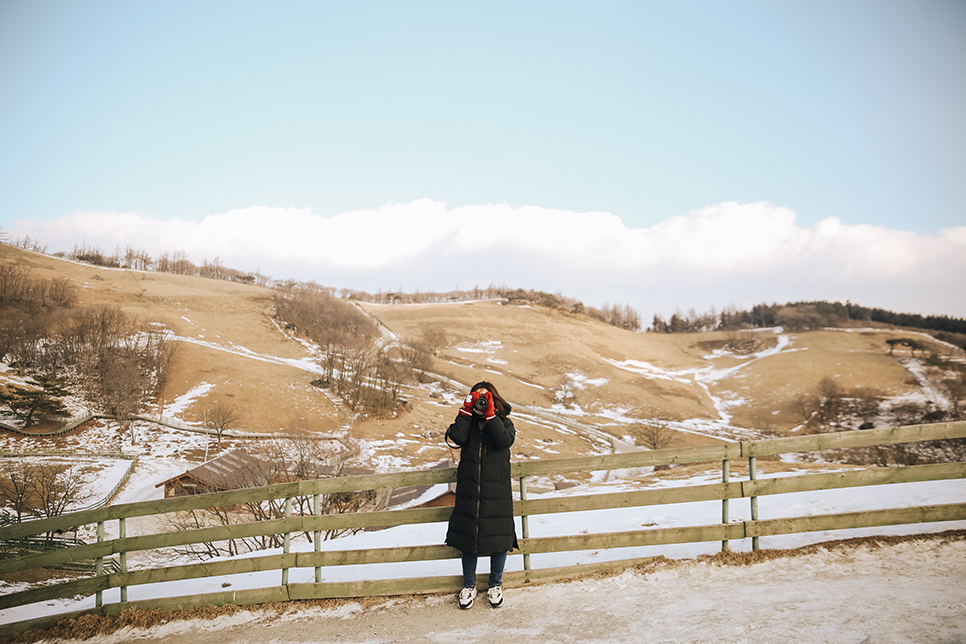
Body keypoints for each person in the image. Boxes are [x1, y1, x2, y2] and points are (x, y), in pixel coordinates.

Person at [444, 380, 517, 609]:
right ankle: (469, 586)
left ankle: (495, 584)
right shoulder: (467, 423)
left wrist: (491, 416)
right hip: (470, 492)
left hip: (497, 492)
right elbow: (456, 438)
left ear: (494, 399)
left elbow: (505, 441)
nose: (482, 401)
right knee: (469, 539)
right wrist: (466, 412)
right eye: (477, 397)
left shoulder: (505, 423)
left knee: (498, 538)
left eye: (486, 398)